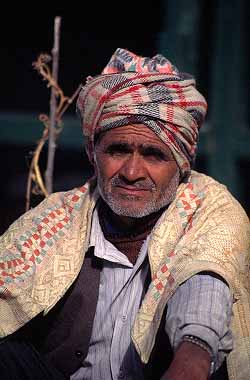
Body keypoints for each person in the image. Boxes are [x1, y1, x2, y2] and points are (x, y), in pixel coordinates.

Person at [0, 48, 249, 380]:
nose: (132, 171)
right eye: (117, 150)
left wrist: (194, 355)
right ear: (95, 154)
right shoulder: (58, 216)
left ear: (180, 162)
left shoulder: (209, 208)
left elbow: (204, 282)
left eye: (153, 154)